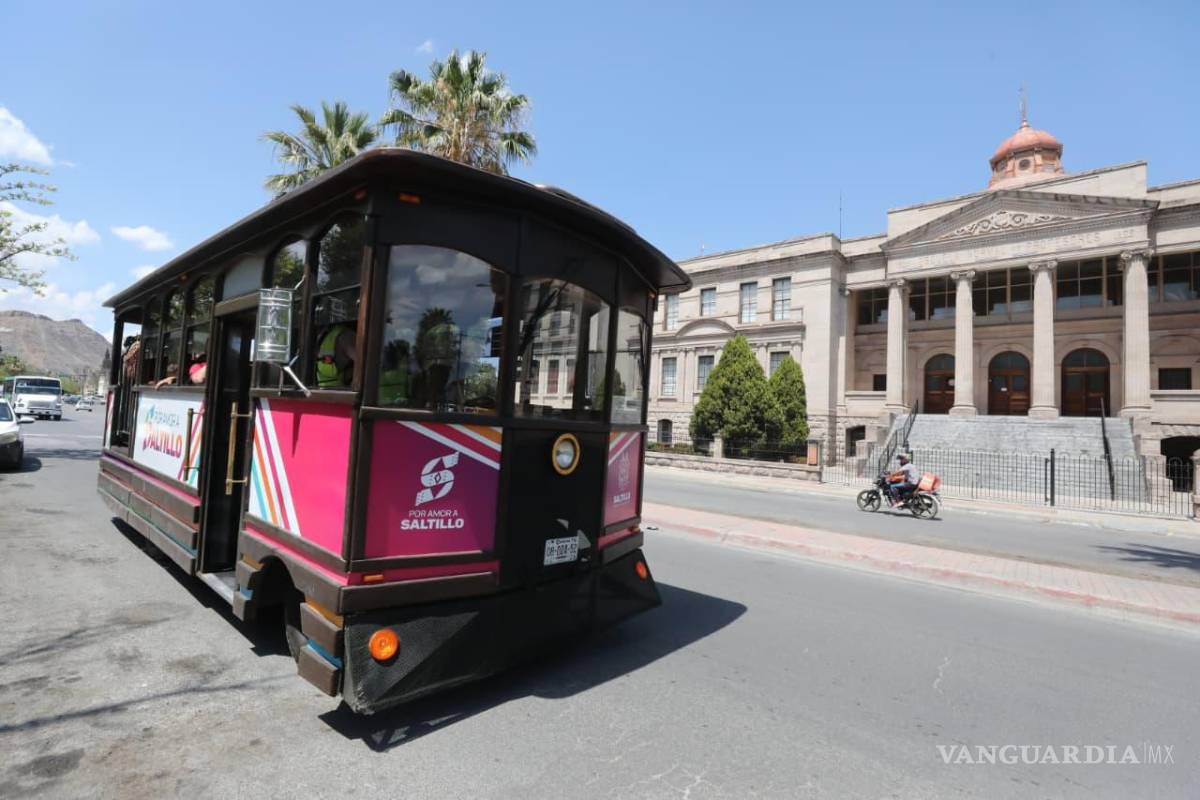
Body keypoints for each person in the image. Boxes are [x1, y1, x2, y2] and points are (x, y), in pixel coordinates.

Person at [316, 323, 356, 388]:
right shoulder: (314, 338)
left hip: (342, 395)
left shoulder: (345, 337)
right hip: (320, 394)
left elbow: (366, 365)